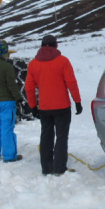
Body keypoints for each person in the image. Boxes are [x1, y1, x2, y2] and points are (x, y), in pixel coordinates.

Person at [25, 35, 82, 176]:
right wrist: (77, 101)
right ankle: (59, 167)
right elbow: (71, 83)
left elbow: (29, 88)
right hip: (62, 106)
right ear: (56, 45)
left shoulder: (33, 64)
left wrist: (33, 106)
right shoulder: (63, 61)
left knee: (46, 136)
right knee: (61, 136)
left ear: (41, 45)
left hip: (44, 108)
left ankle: (46, 167)